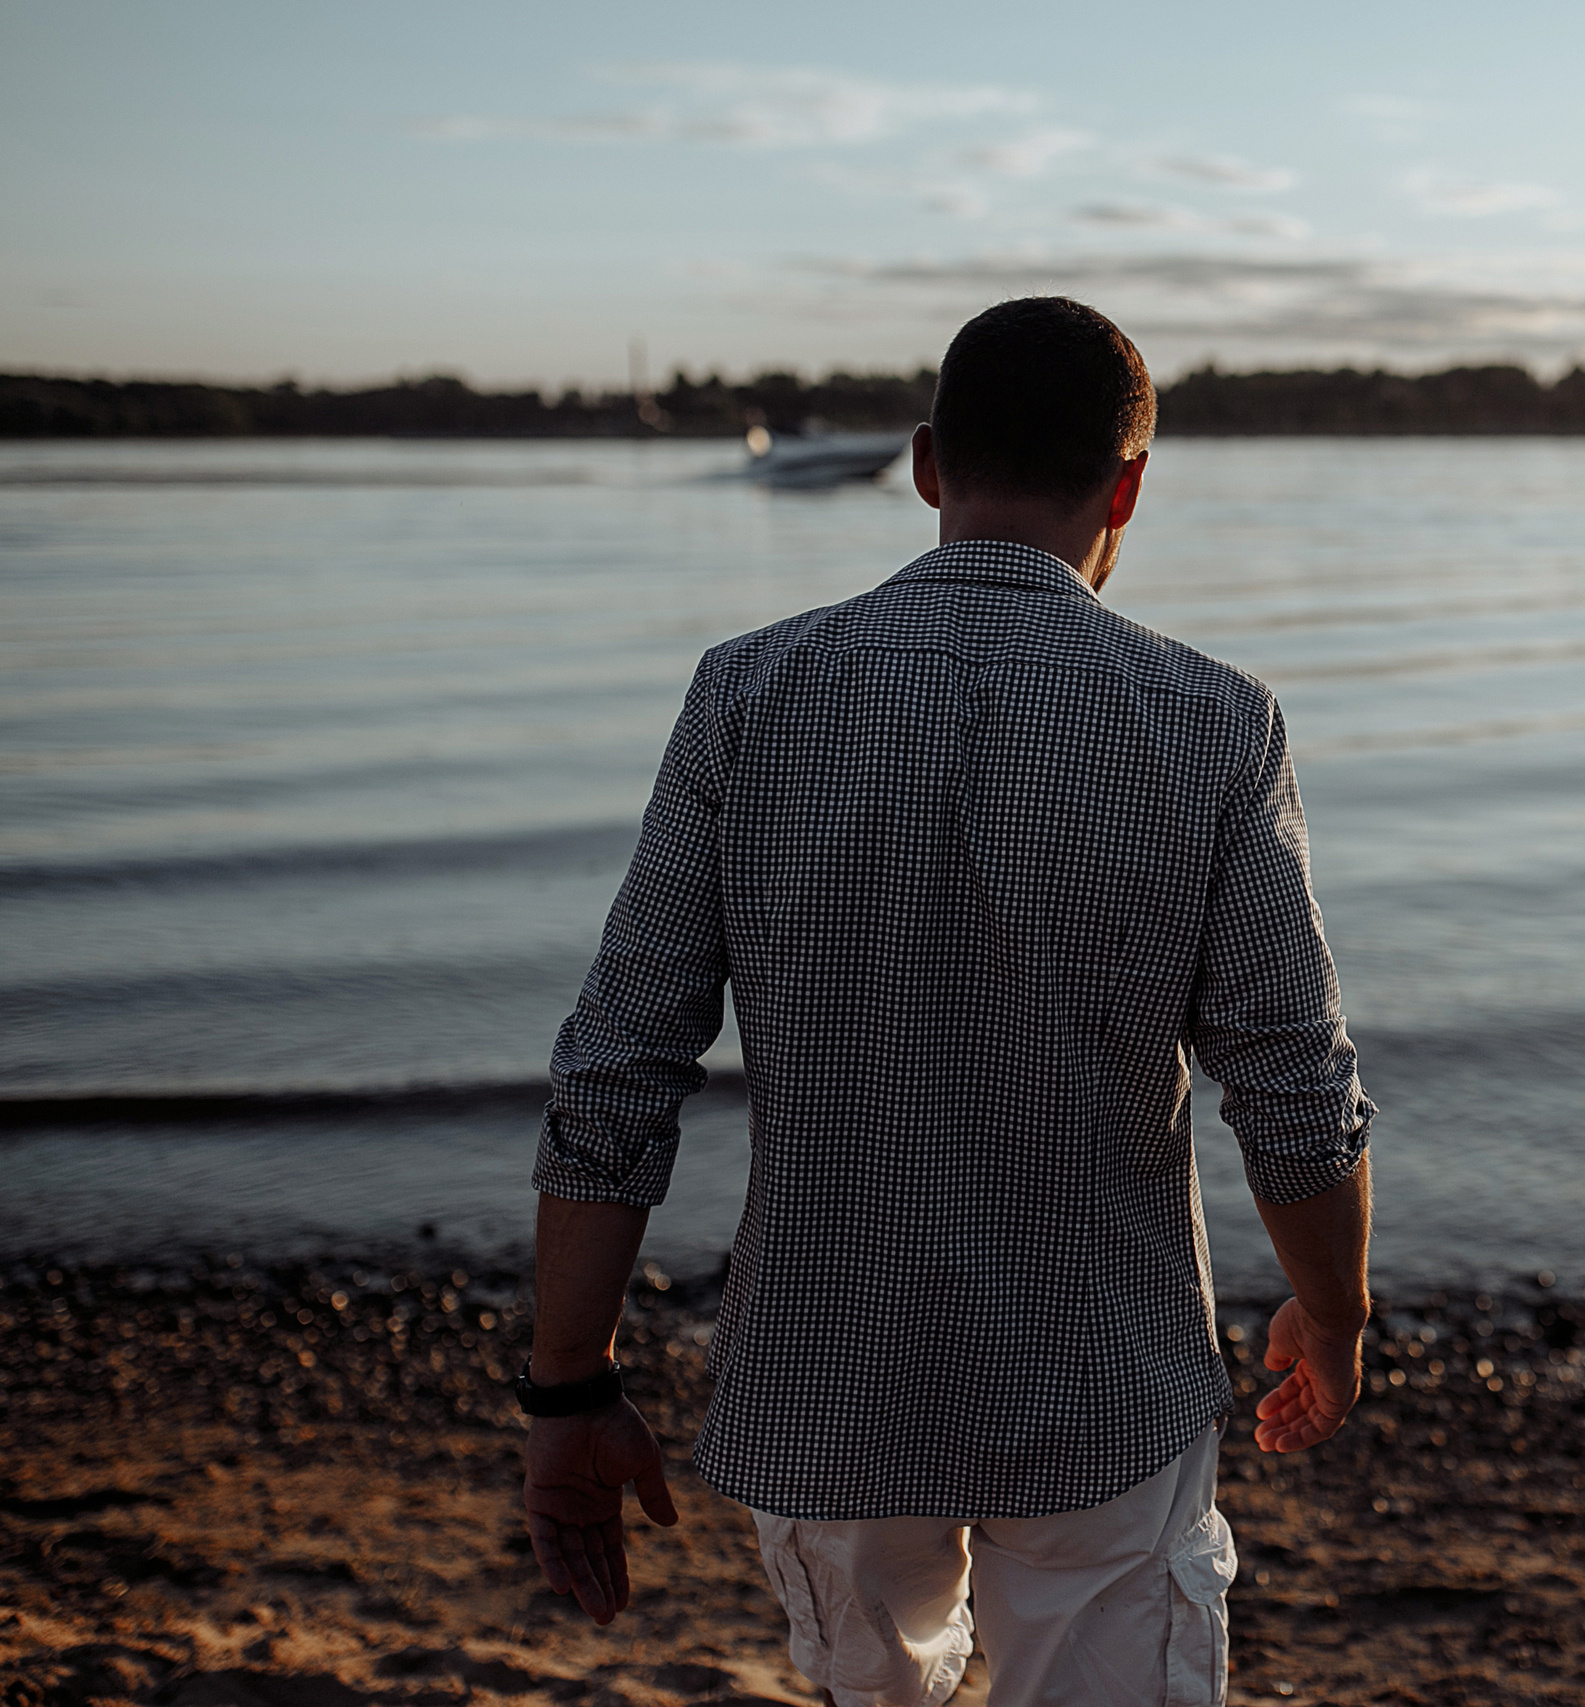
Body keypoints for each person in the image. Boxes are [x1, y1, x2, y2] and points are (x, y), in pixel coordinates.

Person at [515, 296, 1376, 1707]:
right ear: (1128, 488)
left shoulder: (746, 694)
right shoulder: (1214, 719)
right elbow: (1293, 1085)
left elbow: (618, 1067)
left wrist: (568, 1387)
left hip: (827, 1379)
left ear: (927, 465)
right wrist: (1331, 1316)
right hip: (1103, 1371)